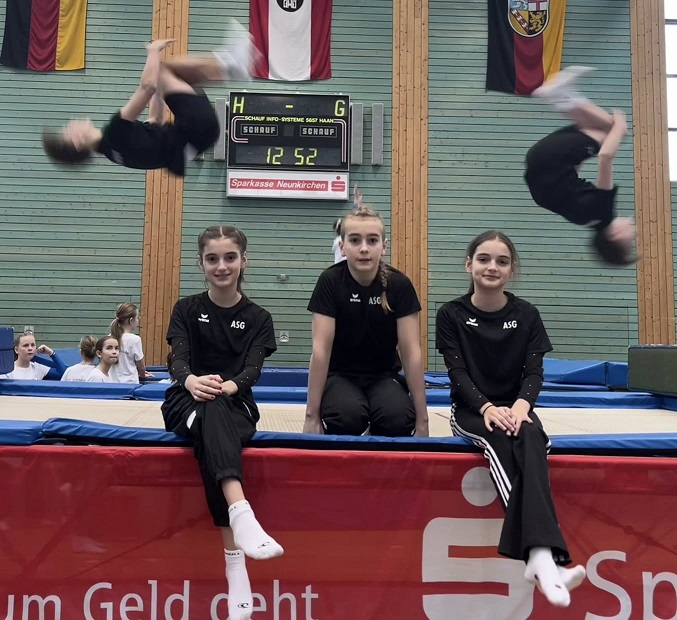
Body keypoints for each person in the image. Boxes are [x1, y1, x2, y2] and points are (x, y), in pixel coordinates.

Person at [435, 230, 586, 608]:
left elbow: (534, 373)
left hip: (517, 406)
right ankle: (544, 559)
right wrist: (487, 408)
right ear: (468, 265)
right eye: (484, 259)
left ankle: (541, 560)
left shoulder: (527, 314)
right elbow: (457, 374)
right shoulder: (451, 314)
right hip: (472, 411)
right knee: (501, 445)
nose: (492, 267)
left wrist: (521, 407)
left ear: (512, 270)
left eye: (502, 261)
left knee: (534, 440)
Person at [161, 225, 283, 620]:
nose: (222, 266)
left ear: (243, 261)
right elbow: (178, 360)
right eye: (212, 259)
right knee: (208, 408)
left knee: (213, 416)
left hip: (236, 405)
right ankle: (241, 517)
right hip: (185, 401)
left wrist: (226, 386)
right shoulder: (186, 309)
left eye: (230, 257)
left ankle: (236, 561)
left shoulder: (258, 317)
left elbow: (252, 371)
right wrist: (191, 381)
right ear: (201, 263)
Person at [42, 20, 255, 176]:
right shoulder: (114, 132)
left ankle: (229, 67)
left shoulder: (114, 153)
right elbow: (147, 87)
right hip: (195, 129)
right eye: (68, 130)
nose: (72, 123)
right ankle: (228, 65)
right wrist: (153, 52)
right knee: (162, 70)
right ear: (77, 142)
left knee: (173, 76)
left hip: (201, 137)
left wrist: (160, 92)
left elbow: (155, 122)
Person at [303, 202, 429, 438]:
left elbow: (411, 353)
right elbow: (320, 351)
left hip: (384, 376)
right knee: (345, 418)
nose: (364, 248)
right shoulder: (330, 282)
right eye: (355, 240)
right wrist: (311, 415)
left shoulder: (399, 285)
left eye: (372, 241)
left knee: (398, 420)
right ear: (342, 247)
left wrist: (423, 420)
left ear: (384, 246)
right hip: (339, 375)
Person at [526, 66, 636, 266]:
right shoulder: (583, 219)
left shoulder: (603, 211)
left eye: (631, 239)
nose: (633, 228)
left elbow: (605, 156)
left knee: (612, 131)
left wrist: (621, 125)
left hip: (552, 158)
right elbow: (553, 192)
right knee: (597, 129)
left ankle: (561, 95)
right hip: (538, 157)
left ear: (615, 236)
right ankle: (561, 95)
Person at [109, 302, 152, 383]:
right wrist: (142, 374)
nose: (138, 320)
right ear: (131, 320)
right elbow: (141, 365)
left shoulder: (109, 338)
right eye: (137, 318)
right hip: (130, 384)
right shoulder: (135, 339)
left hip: (112, 383)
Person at [0, 331, 66, 380]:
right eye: (26, 345)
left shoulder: (38, 368)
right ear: (16, 350)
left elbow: (63, 373)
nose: (30, 348)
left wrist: (51, 353)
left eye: (33, 345)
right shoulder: (7, 370)